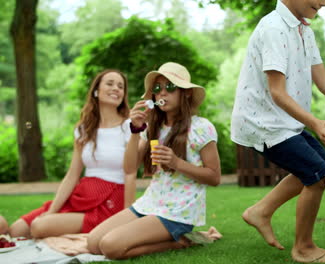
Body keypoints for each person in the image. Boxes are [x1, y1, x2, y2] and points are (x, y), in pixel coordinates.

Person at [230, 0, 325, 262]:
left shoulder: (305, 29)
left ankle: (260, 211)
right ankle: (303, 248)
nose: (324, 2)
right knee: (317, 176)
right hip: (263, 122)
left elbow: (323, 81)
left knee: (323, 167)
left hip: (283, 121)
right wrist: (315, 123)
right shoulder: (273, 28)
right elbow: (277, 92)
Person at [87, 62, 221, 260]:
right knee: (93, 242)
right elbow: (130, 168)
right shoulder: (152, 128)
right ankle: (177, 238)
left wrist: (177, 163)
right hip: (150, 203)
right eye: (157, 89)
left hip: (178, 211)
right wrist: (135, 130)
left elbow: (214, 177)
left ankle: (181, 241)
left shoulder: (201, 128)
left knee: (110, 247)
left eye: (170, 87)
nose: (162, 94)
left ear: (186, 93)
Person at [8, 70, 135, 239]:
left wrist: (126, 217)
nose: (116, 89)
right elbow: (72, 175)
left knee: (39, 227)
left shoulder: (131, 127)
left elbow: (130, 173)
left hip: (109, 200)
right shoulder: (84, 129)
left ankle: (80, 233)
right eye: (110, 83)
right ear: (96, 91)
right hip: (83, 194)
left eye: (121, 86)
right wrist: (52, 210)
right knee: (16, 230)